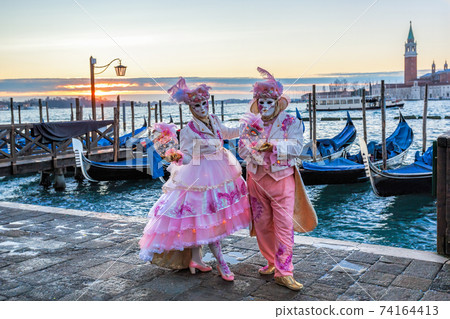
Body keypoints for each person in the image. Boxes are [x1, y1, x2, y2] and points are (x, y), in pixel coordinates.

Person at [139, 77, 251, 281]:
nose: (201, 108)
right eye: (196, 105)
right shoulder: (189, 130)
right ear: (191, 108)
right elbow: (188, 156)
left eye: (203, 104)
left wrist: (245, 127)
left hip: (222, 168)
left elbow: (227, 133)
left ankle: (195, 260)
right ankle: (222, 263)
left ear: (207, 103)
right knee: (206, 217)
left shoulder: (215, 119)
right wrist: (177, 156)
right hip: (200, 175)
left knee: (206, 219)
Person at [239, 67, 317, 291]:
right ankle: (272, 262)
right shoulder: (251, 124)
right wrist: (253, 149)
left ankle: (285, 271)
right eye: (260, 102)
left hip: (282, 180)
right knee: (262, 225)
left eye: (268, 102)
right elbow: (242, 151)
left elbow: (297, 147)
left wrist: (273, 146)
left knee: (283, 225)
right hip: (256, 180)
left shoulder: (292, 122)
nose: (264, 107)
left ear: (277, 102)